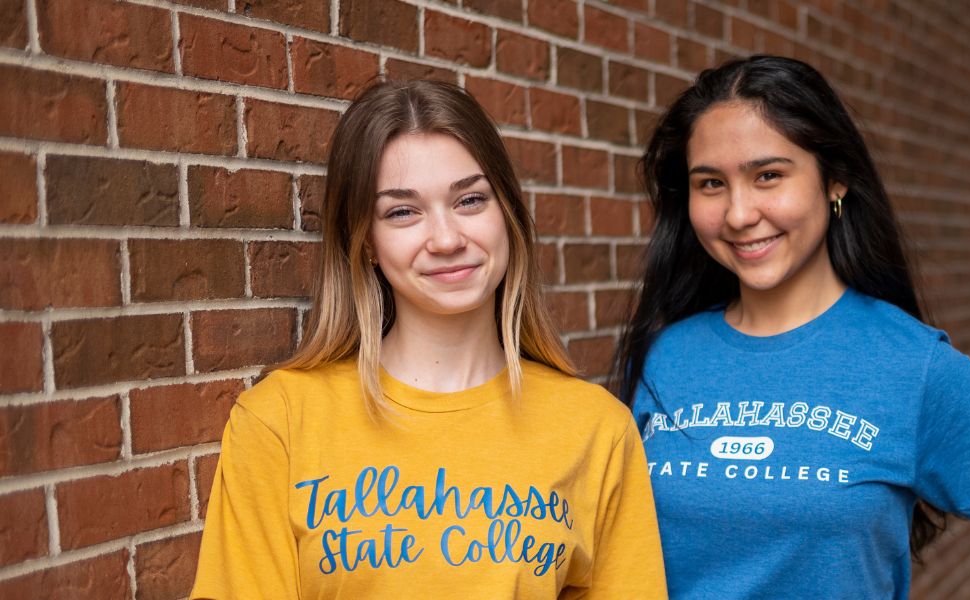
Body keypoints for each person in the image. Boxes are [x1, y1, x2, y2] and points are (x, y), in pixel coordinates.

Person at [614, 55, 970, 598]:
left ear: (836, 181)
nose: (737, 213)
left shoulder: (912, 365)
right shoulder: (664, 358)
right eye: (711, 184)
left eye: (769, 176)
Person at [191, 80, 667, 599]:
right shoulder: (279, 421)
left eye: (469, 200)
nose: (446, 239)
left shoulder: (596, 428)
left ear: (506, 214)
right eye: (402, 211)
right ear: (365, 241)